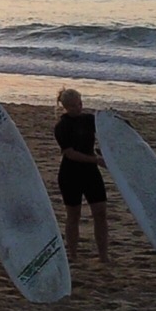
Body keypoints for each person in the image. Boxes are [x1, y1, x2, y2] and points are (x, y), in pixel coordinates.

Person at [55, 88, 109, 262]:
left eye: (78, 104)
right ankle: (73, 255)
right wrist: (96, 160)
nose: (77, 108)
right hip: (70, 174)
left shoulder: (89, 120)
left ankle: (103, 255)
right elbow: (70, 153)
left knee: (100, 213)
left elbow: (106, 132)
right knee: (74, 215)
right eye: (71, 106)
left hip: (90, 173)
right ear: (65, 107)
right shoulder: (61, 126)